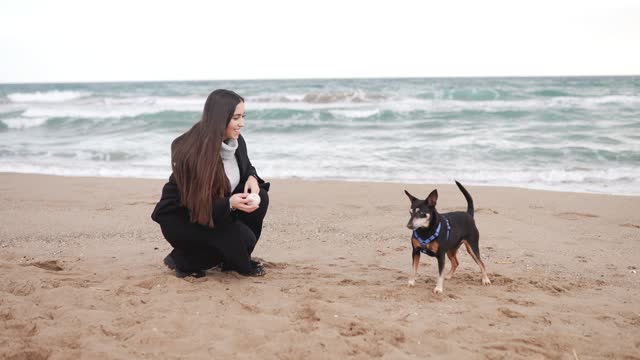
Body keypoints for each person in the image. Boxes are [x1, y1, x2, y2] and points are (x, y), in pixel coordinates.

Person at [151, 89, 269, 277]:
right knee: (240, 240)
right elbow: (196, 203)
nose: (242, 123)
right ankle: (181, 260)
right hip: (185, 217)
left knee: (261, 196)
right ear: (220, 118)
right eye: (236, 118)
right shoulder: (195, 152)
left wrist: (252, 178)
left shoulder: (235, 141)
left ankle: (232, 259)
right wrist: (229, 204)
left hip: (215, 208)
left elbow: (246, 167)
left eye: (243, 116)